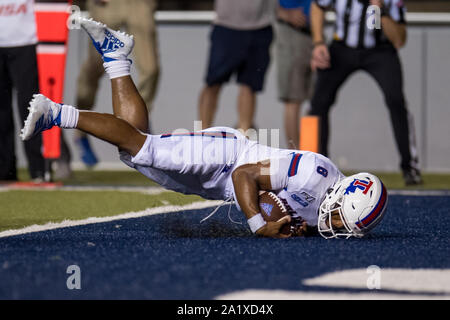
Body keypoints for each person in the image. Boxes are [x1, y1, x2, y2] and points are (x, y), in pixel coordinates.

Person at [21, 18, 388, 239]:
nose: (337, 226)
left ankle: (116, 59)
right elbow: (246, 175)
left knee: (134, 154)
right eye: (342, 218)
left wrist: (286, 226)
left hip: (221, 185)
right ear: (344, 196)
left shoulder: (324, 200)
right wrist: (260, 224)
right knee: (142, 148)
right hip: (228, 157)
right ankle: (56, 113)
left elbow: (286, 208)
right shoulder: (314, 175)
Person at [309, 0, 422, 186]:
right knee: (318, 104)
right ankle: (316, 167)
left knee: (396, 101)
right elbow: (317, 6)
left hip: (380, 51)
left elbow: (399, 39)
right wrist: (318, 42)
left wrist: (381, 10)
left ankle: (410, 167)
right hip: (342, 47)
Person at [57, 0, 160, 176]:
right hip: (107, 4)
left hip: (138, 4)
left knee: (151, 69)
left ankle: (138, 126)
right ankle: (81, 129)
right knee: (95, 67)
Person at [198, 0, 276, 132]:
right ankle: (202, 134)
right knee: (213, 83)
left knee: (249, 86)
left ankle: (243, 137)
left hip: (260, 27)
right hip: (226, 26)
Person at [0, 0, 45, 182]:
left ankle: (39, 170)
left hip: (27, 40)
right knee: (1, 112)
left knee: (30, 107)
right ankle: (5, 172)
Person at [275, 0, 314, 149]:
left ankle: (311, 152)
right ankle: (295, 155)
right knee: (293, 99)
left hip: (314, 34)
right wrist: (283, 13)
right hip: (291, 33)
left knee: (315, 101)